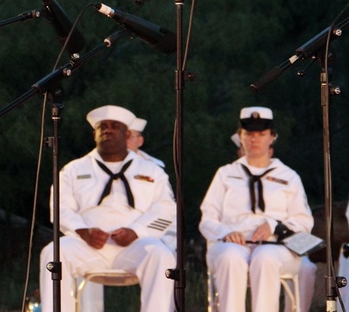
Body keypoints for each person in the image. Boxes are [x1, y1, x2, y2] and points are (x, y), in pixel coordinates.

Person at [38, 105, 176, 312]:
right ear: (94, 134)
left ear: (127, 134)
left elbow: (166, 209)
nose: (108, 130)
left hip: (135, 245)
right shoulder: (74, 169)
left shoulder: (151, 170)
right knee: (53, 253)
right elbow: (60, 208)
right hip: (88, 244)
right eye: (102, 127)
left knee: (162, 255)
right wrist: (83, 231)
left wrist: (137, 232)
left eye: (115, 126)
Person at [200, 107, 313, 312]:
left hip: (277, 247)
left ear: (272, 137)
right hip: (232, 244)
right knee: (230, 257)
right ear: (240, 137)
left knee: (265, 257)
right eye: (248, 134)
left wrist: (274, 226)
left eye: (261, 134)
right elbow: (207, 218)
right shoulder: (225, 174)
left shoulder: (289, 176)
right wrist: (226, 232)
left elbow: (304, 222)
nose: (254, 140)